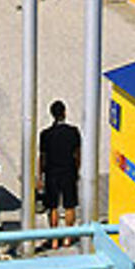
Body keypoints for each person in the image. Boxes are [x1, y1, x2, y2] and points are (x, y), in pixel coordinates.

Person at [38, 100, 81, 247]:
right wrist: (77, 170)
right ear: (64, 113)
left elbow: (42, 157)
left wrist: (40, 176)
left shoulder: (45, 134)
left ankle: (55, 239)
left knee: (53, 206)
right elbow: (77, 154)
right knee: (70, 205)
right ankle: (68, 237)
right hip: (68, 170)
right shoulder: (73, 132)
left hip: (51, 171)